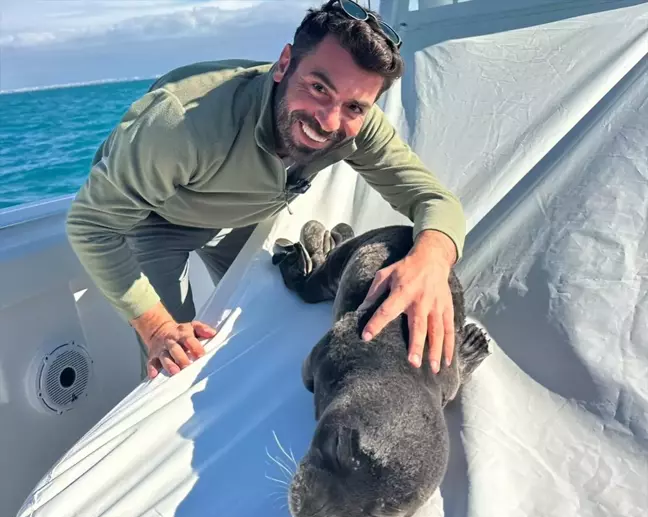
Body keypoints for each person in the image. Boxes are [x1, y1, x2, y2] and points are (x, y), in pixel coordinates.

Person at [65, 0, 466, 381]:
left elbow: (433, 199)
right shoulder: (180, 123)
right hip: (157, 221)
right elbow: (91, 225)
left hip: (244, 218)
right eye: (318, 88)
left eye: (354, 107)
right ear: (284, 64)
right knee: (173, 361)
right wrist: (155, 330)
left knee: (268, 319)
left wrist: (431, 258)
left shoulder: (358, 125)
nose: (328, 121)